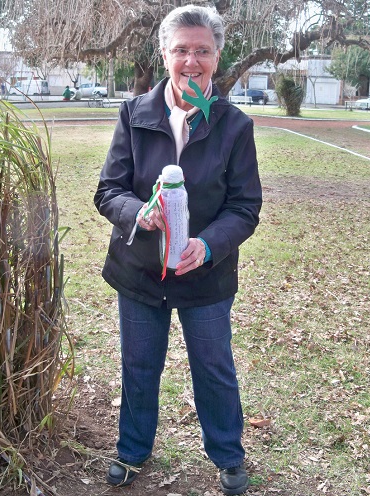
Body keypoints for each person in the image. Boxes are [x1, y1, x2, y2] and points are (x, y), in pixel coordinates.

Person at [93, 6, 262, 495]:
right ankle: (132, 450)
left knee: (214, 365)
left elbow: (245, 206)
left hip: (205, 275)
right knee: (140, 364)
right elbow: (109, 191)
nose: (192, 60)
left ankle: (228, 455)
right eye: (181, 50)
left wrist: (208, 246)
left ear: (217, 56)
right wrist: (137, 215)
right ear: (164, 54)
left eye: (202, 51)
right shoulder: (134, 114)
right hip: (140, 272)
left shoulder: (233, 125)